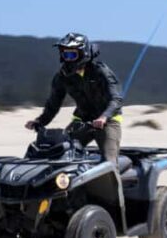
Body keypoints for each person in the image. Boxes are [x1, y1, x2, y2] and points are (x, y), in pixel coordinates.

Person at [25, 32, 123, 164]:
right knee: (58, 153)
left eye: (72, 54)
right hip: (81, 122)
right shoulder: (62, 77)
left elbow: (116, 99)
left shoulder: (101, 72)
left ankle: (115, 184)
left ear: (83, 54)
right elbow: (53, 104)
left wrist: (104, 117)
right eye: (65, 54)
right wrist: (40, 122)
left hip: (107, 122)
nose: (68, 59)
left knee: (109, 162)